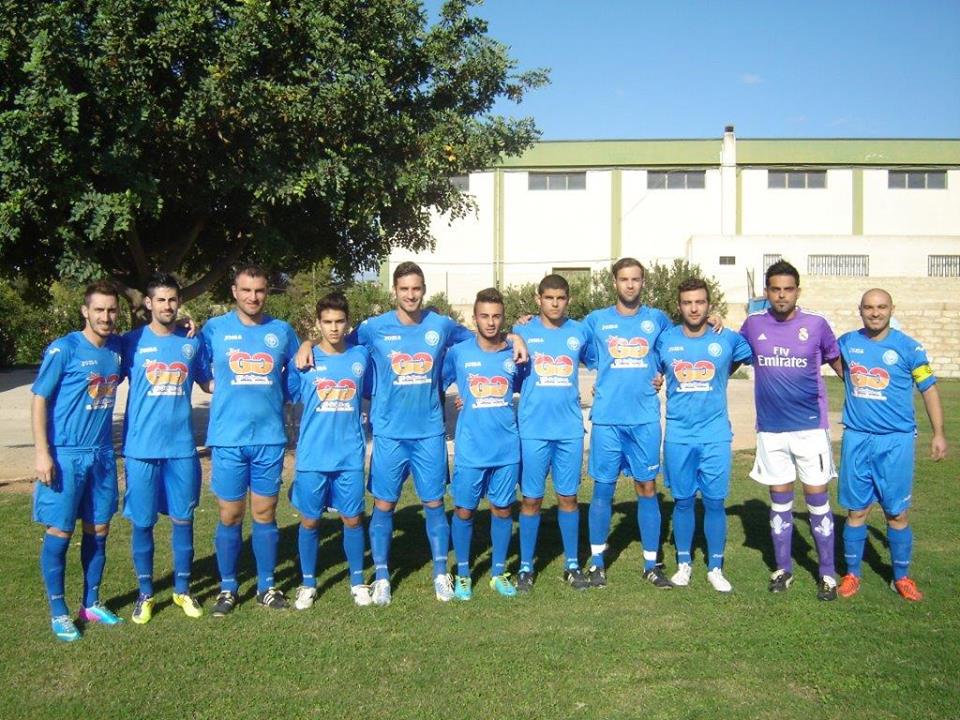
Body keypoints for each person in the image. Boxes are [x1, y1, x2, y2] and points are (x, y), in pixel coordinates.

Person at [297, 261, 527, 605]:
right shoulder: (374, 328)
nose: (410, 295)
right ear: (395, 291)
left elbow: (484, 338)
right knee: (384, 505)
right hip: (389, 434)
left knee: (434, 504)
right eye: (404, 289)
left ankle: (440, 574)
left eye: (416, 288)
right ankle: (383, 576)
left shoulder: (440, 325)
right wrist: (307, 343)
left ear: (423, 289)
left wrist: (514, 334)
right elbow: (337, 338)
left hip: (430, 433)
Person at [200, 265, 301, 615]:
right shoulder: (214, 330)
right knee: (230, 514)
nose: (253, 297)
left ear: (266, 292)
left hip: (269, 439)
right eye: (246, 290)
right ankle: (228, 587)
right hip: (228, 438)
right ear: (234, 291)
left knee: (264, 512)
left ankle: (266, 585)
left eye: (259, 291)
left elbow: (300, 368)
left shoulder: (282, 331)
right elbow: (197, 369)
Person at [739, 260, 842, 600]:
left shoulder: (816, 324)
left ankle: (827, 573)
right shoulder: (753, 325)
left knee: (817, 501)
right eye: (775, 289)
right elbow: (731, 354)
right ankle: (783, 569)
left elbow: (838, 361)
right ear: (765, 291)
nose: (781, 296)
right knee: (780, 503)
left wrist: (864, 394)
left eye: (788, 289)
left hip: (810, 429)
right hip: (771, 430)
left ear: (798, 290)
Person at [836, 289, 947, 601]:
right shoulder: (847, 343)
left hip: (895, 442)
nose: (875, 313)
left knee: (896, 514)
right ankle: (852, 575)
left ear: (891, 309)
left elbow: (929, 388)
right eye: (869, 307)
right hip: (857, 438)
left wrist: (938, 433)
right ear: (860, 310)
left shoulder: (909, 348)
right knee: (856, 511)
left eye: (881, 307)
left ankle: (901, 577)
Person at [32, 280, 125, 641]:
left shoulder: (117, 349)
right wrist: (43, 453)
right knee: (60, 531)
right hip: (65, 456)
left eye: (111, 310)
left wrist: (182, 326)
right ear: (85, 311)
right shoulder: (64, 349)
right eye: (99, 309)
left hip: (101, 454)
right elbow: (39, 399)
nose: (105, 316)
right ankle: (59, 611)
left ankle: (91, 602)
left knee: (99, 530)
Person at [582, 258, 678, 589]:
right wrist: (524, 328)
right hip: (607, 419)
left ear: (643, 282)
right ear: (614, 282)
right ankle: (596, 563)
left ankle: (652, 563)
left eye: (636, 279)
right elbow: (562, 338)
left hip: (644, 419)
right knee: (603, 490)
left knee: (647, 488)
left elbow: (679, 348)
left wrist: (662, 374)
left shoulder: (657, 320)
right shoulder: (596, 321)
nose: (630, 285)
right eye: (624, 279)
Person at [121, 273, 209, 623]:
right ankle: (145, 594)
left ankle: (183, 590)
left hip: (182, 449)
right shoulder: (130, 342)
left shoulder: (191, 342)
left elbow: (210, 381)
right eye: (161, 300)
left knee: (182, 519)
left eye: (173, 300)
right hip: (141, 448)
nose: (168, 306)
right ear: (148, 303)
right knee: (142, 523)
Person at [656, 278, 752, 592]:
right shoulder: (665, 340)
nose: (694, 308)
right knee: (682, 502)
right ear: (679, 306)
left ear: (709, 305)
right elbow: (653, 371)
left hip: (715, 436)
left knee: (714, 502)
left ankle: (715, 567)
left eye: (699, 302)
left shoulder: (726, 339)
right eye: (687, 302)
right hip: (679, 435)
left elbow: (748, 354)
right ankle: (683, 563)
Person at [285, 292, 372, 609]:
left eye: (339, 322)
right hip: (311, 457)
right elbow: (285, 394)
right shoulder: (304, 361)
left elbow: (378, 388)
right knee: (309, 522)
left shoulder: (361, 356)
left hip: (349, 455)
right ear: (318, 324)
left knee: (352, 520)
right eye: (328, 322)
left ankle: (358, 581)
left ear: (347, 323)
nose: (334, 328)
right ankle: (308, 583)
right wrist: (305, 344)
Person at [511, 274, 594, 592]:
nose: (555, 303)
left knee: (568, 498)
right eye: (549, 298)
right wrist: (511, 332)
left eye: (561, 298)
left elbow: (605, 358)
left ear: (568, 299)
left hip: (569, 430)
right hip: (532, 430)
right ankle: (526, 567)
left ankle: (572, 565)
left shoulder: (579, 332)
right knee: (531, 500)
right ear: (538, 298)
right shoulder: (523, 331)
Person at [442, 288, 522, 599]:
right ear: (474, 318)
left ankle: (498, 572)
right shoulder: (459, 353)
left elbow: (532, 382)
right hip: (471, 448)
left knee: (502, 510)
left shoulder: (514, 353)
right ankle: (463, 573)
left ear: (504, 318)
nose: (490, 322)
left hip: (506, 448)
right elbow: (437, 384)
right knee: (464, 511)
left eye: (496, 316)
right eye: (484, 316)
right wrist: (457, 400)